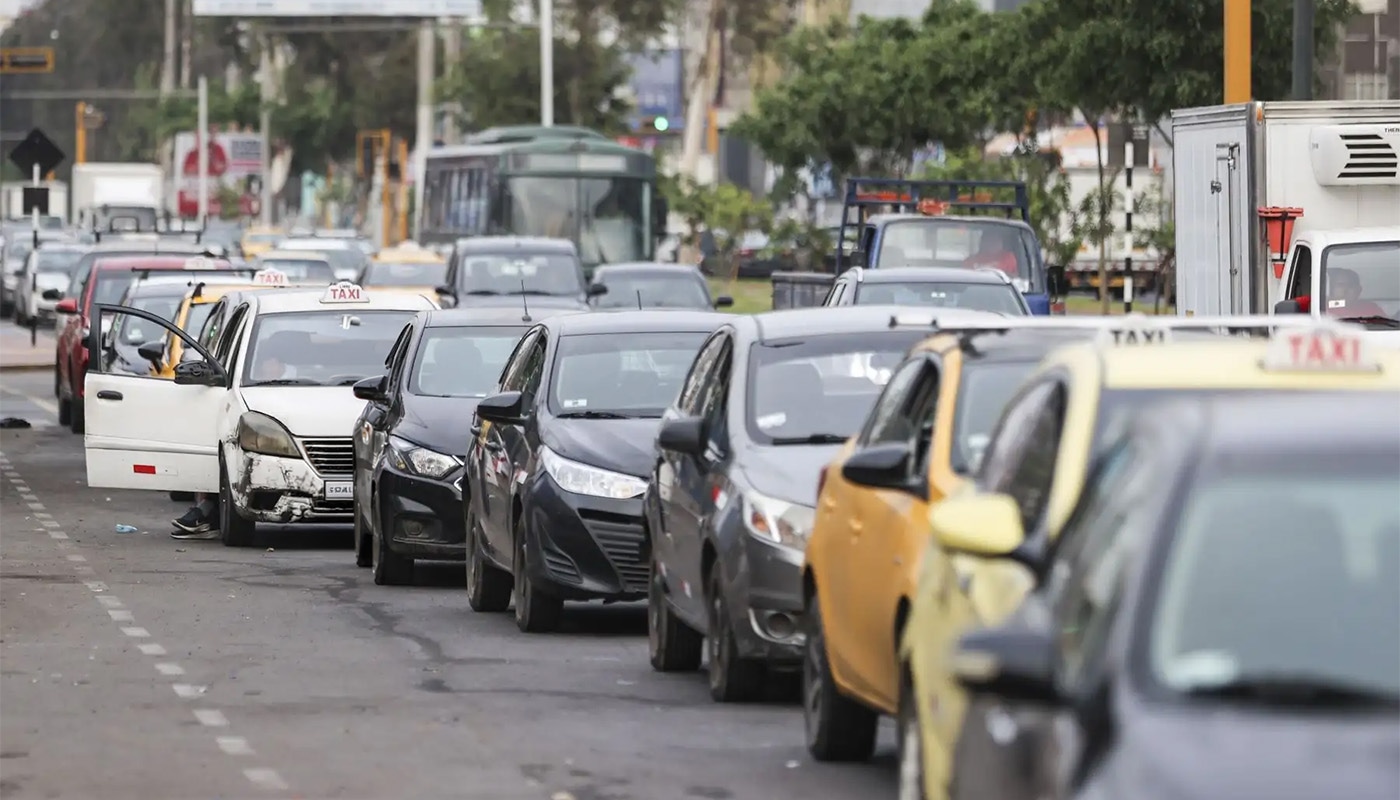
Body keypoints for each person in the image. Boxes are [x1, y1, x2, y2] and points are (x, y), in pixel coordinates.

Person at [171, 346, 297, 538]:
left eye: (269, 362)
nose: (265, 368)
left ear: (281, 365)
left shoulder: (294, 382)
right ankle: (207, 512)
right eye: (262, 364)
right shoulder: (242, 390)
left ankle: (207, 513)